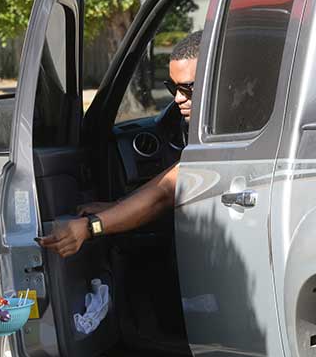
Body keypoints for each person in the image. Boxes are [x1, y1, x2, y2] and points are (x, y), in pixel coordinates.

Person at [37, 30, 202, 258]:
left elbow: (166, 191)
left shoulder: (237, 129)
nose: (177, 99)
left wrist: (90, 227)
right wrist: (118, 205)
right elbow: (169, 178)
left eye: (187, 89)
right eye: (173, 88)